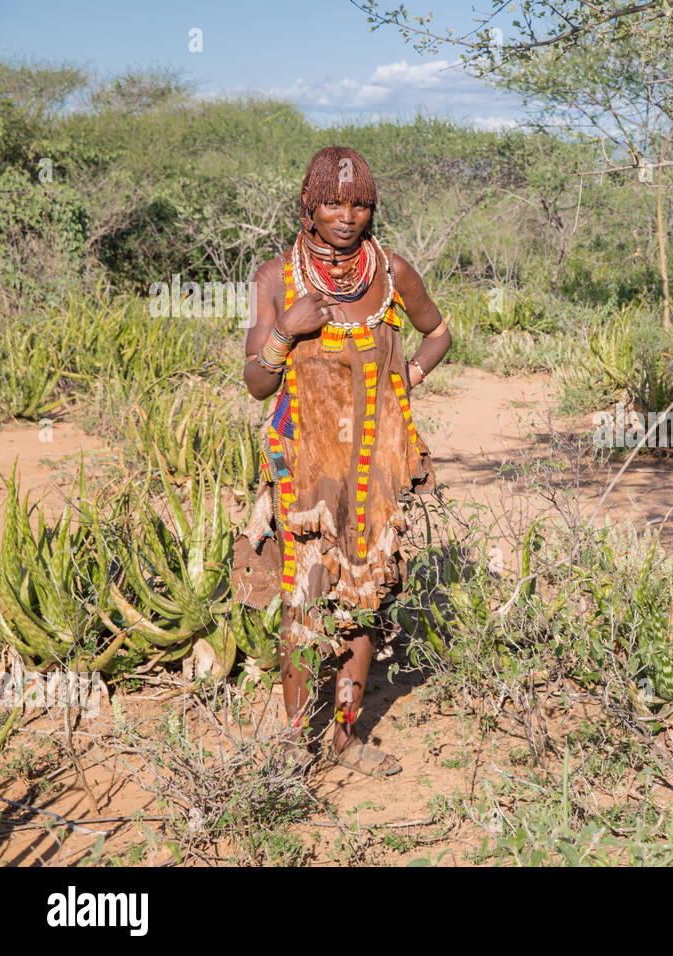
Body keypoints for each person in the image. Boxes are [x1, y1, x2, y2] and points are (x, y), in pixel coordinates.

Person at [232, 146, 450, 776]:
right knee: (304, 598)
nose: (346, 216)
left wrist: (405, 377)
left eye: (358, 204)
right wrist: (287, 330)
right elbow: (255, 383)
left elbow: (439, 332)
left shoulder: (392, 273)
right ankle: (297, 746)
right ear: (310, 205)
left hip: (375, 467)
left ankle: (346, 738)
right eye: (332, 202)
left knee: (365, 599)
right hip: (305, 467)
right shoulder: (276, 280)